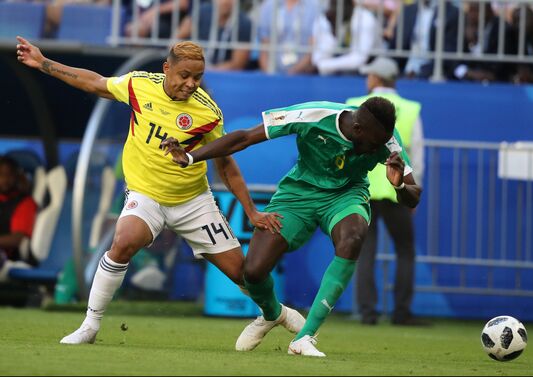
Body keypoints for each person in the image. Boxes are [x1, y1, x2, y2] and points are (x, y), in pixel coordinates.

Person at [15, 36, 305, 345]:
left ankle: (276, 313)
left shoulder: (208, 114)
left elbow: (226, 165)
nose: (192, 83)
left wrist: (251, 211)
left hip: (193, 201)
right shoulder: (139, 85)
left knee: (244, 275)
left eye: (198, 77)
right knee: (124, 241)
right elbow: (94, 83)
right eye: (185, 75)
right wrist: (43, 63)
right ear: (167, 68)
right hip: (146, 194)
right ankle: (90, 325)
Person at [161, 96, 422, 357]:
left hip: (346, 195)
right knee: (252, 272)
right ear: (357, 129)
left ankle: (305, 337)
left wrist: (399, 185)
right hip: (298, 194)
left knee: (352, 238)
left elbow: (413, 194)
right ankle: (273, 313)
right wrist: (191, 157)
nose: (376, 150)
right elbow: (244, 138)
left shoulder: (387, 140)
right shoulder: (312, 115)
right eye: (372, 144)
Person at [347, 57, 427, 326]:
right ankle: (401, 312)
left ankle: (366, 312)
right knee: (405, 249)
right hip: (397, 188)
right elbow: (417, 153)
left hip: (362, 190)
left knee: (364, 251)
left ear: (375, 79)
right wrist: (412, 191)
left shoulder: (353, 104)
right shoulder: (411, 108)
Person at [176, 0, 253, 71]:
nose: (225, 2)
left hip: (223, 75)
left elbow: (238, 64)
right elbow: (177, 39)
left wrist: (209, 70)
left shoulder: (244, 23)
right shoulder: (202, 12)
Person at [312, 0, 384, 76]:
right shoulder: (328, 18)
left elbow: (359, 59)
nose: (336, 9)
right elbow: (318, 58)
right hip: (341, 67)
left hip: (369, 68)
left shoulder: (365, 20)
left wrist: (325, 65)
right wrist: (332, 32)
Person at [0, 156, 39, 281]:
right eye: (1, 175)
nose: (5, 180)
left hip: (7, 259)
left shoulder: (25, 203)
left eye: (9, 175)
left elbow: (16, 239)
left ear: (17, 176)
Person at [257, 0, 321, 75]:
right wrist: (270, 75)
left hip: (304, 75)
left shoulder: (314, 6)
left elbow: (313, 50)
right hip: (273, 73)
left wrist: (291, 74)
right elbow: (264, 49)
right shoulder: (269, 5)